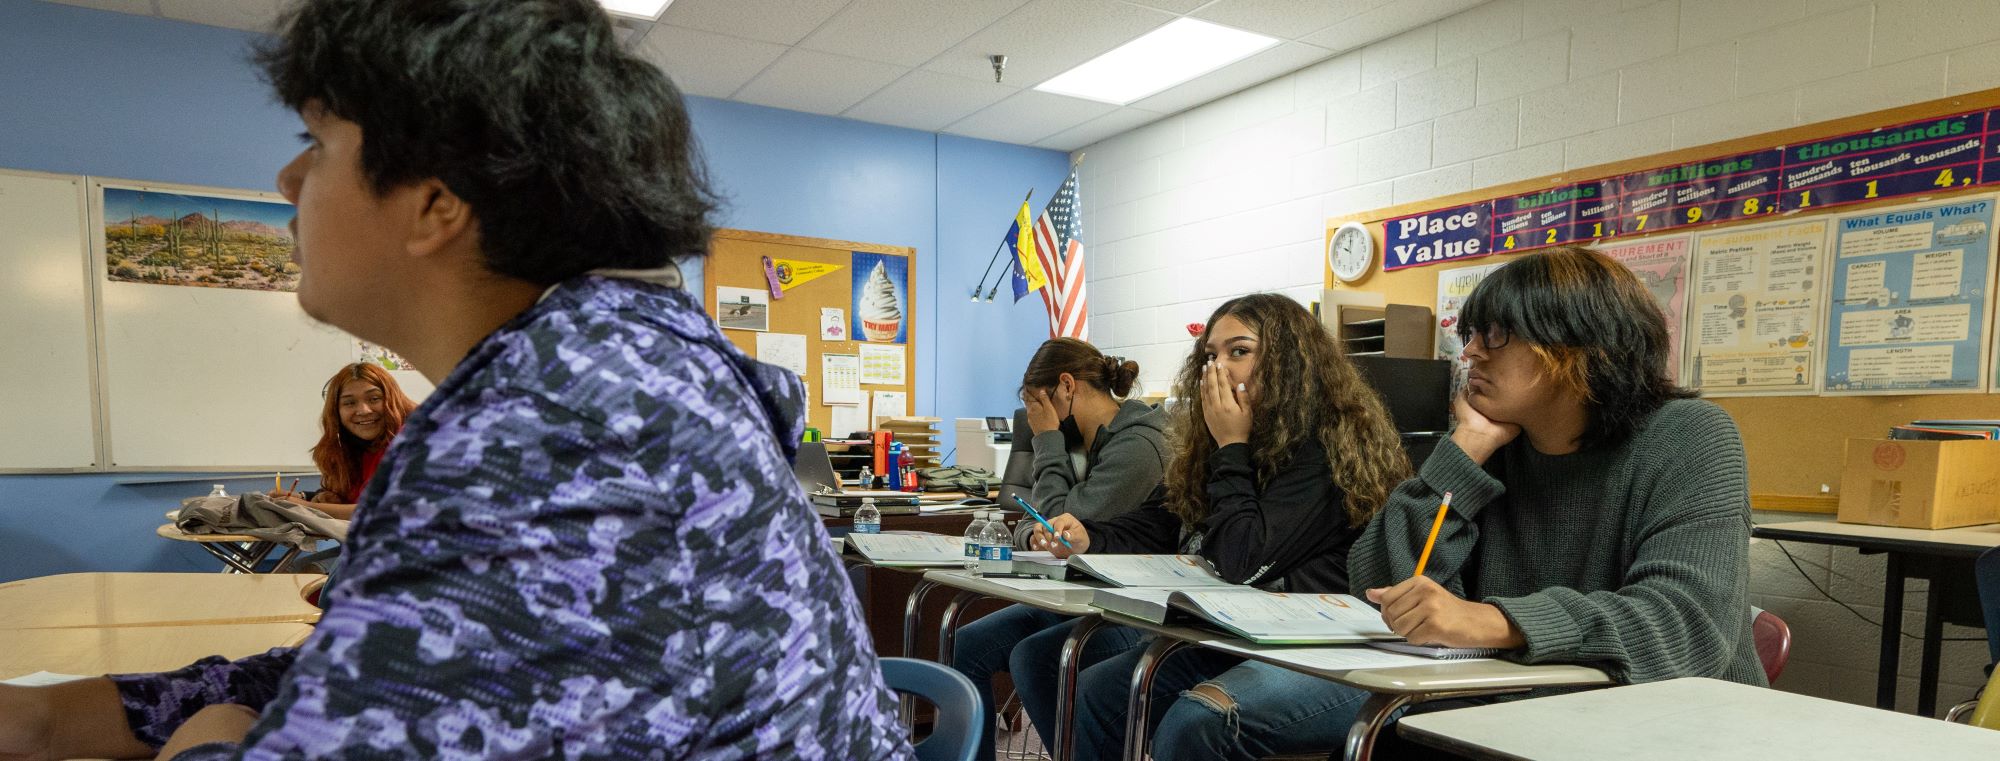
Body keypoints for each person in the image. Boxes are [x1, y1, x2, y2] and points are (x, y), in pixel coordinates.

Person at [0, 1, 911, 759]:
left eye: (317, 142)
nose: (285, 177)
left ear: (436, 202)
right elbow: (390, 672)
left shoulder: (550, 426)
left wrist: (208, 739)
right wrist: (49, 719)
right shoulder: (616, 362)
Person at [1346, 245, 1770, 759]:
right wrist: (1465, 449)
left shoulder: (1690, 436)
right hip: (1510, 716)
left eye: (1496, 334)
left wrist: (1496, 622)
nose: (1471, 352)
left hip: (1673, 730)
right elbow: (1379, 583)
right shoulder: (1494, 446)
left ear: (1577, 345)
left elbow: (1685, 623)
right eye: (1472, 334)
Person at [1028, 293, 1411, 761]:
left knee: (1194, 723)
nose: (1218, 369)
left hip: (1315, 641)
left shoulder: (1323, 447)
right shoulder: (1216, 441)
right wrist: (1091, 537)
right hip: (1238, 627)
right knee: (1097, 690)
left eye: (1239, 351)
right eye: (1211, 355)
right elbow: (1159, 522)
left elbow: (1241, 559)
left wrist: (1232, 445)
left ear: (1290, 363)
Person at [950, 338, 1167, 761]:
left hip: (1133, 608)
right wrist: (1033, 534)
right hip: (1078, 595)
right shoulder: (1077, 441)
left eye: (1037, 405)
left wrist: (1047, 439)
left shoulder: (1138, 445)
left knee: (1034, 659)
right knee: (967, 644)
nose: (1034, 421)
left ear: (1066, 386)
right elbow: (1031, 521)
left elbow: (1062, 524)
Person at [270, 362, 417, 519]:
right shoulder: (351, 447)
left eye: (374, 399)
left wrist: (306, 507)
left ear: (393, 399)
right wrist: (308, 497)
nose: (364, 410)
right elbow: (349, 498)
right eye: (349, 403)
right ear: (336, 412)